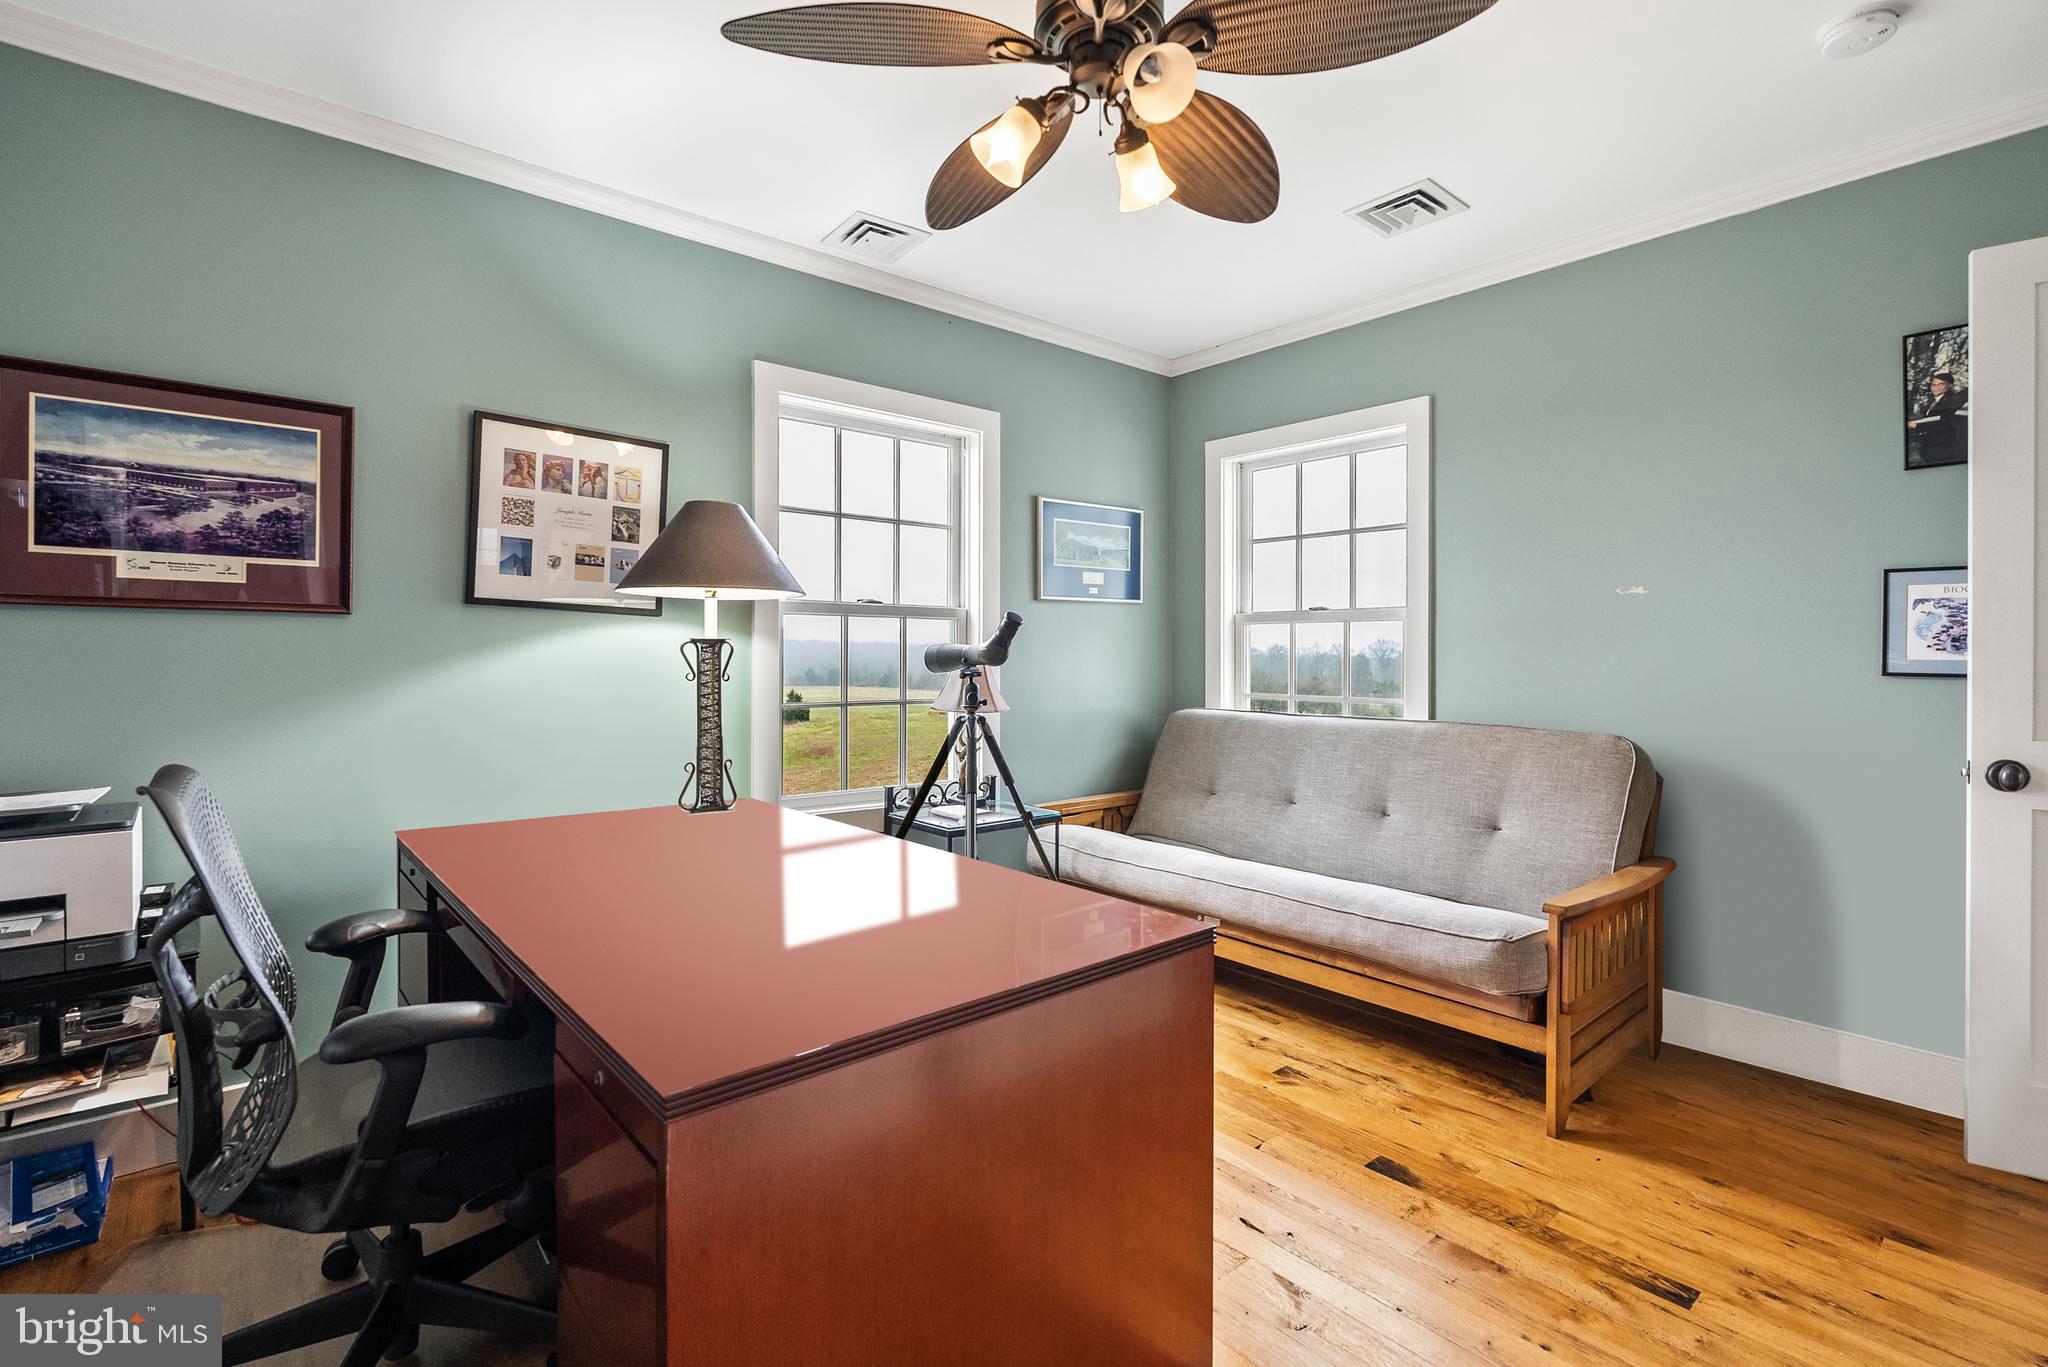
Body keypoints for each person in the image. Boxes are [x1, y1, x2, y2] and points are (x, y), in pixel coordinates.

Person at [1908, 371, 1969, 466]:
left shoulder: (1953, 400)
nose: (1935, 387)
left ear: (1949, 386)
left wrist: (1916, 426)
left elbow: (1944, 423)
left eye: (1940, 384)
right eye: (1933, 384)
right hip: (1930, 447)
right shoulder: (1933, 401)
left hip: (1944, 448)